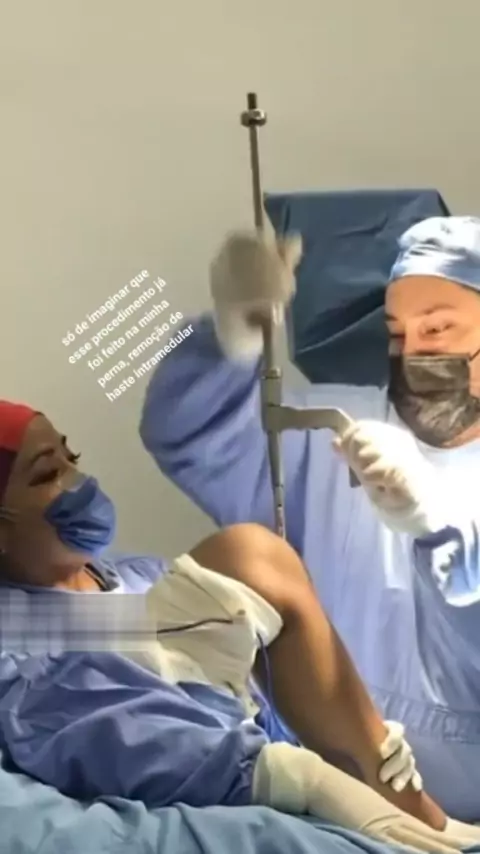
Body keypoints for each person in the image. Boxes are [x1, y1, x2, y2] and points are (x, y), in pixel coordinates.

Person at [0, 400, 477, 853]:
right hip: (239, 778)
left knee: (251, 554)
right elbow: (120, 731)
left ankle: (398, 792)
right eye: (47, 474)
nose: (79, 482)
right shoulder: (23, 648)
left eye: (71, 457)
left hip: (305, 762)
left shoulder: (134, 576)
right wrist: (300, 779)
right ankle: (398, 802)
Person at [139, 216, 480, 823]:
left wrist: (438, 527)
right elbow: (192, 435)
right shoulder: (340, 428)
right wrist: (231, 337)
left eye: (437, 327)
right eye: (396, 332)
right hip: (318, 769)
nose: (413, 351)